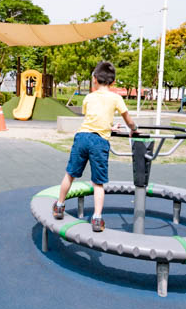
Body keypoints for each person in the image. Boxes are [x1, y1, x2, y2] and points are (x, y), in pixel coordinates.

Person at [52, 61, 137, 233]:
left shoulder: (89, 97)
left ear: (95, 79)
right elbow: (128, 119)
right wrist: (133, 129)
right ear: (113, 82)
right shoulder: (116, 98)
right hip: (99, 142)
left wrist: (108, 127)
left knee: (70, 174)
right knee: (98, 183)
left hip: (82, 137)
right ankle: (97, 218)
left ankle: (60, 205)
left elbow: (92, 118)